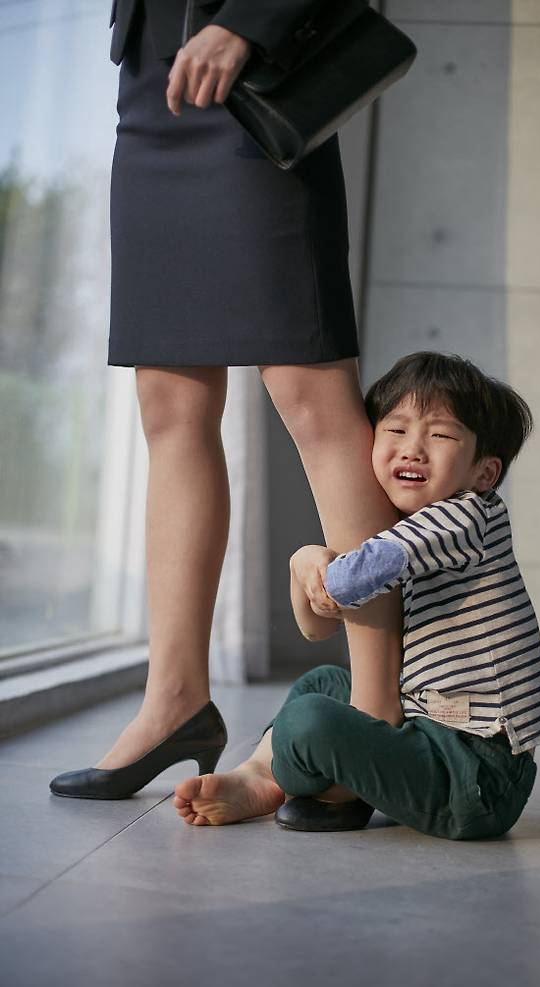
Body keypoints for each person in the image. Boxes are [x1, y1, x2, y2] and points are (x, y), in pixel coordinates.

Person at [49, 0, 404, 800]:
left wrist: (249, 20)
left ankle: (378, 710)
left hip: (256, 75)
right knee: (169, 411)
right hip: (150, 85)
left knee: (314, 399)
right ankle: (174, 698)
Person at [172, 351, 540, 839]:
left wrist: (317, 570)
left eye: (440, 435)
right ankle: (262, 773)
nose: (412, 449)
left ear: (484, 474)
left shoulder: (466, 517)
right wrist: (306, 563)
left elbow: (353, 581)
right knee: (321, 685)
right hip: (426, 729)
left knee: (309, 721)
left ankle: (308, 782)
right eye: (395, 430)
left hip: (473, 774)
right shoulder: (416, 526)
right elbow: (316, 629)